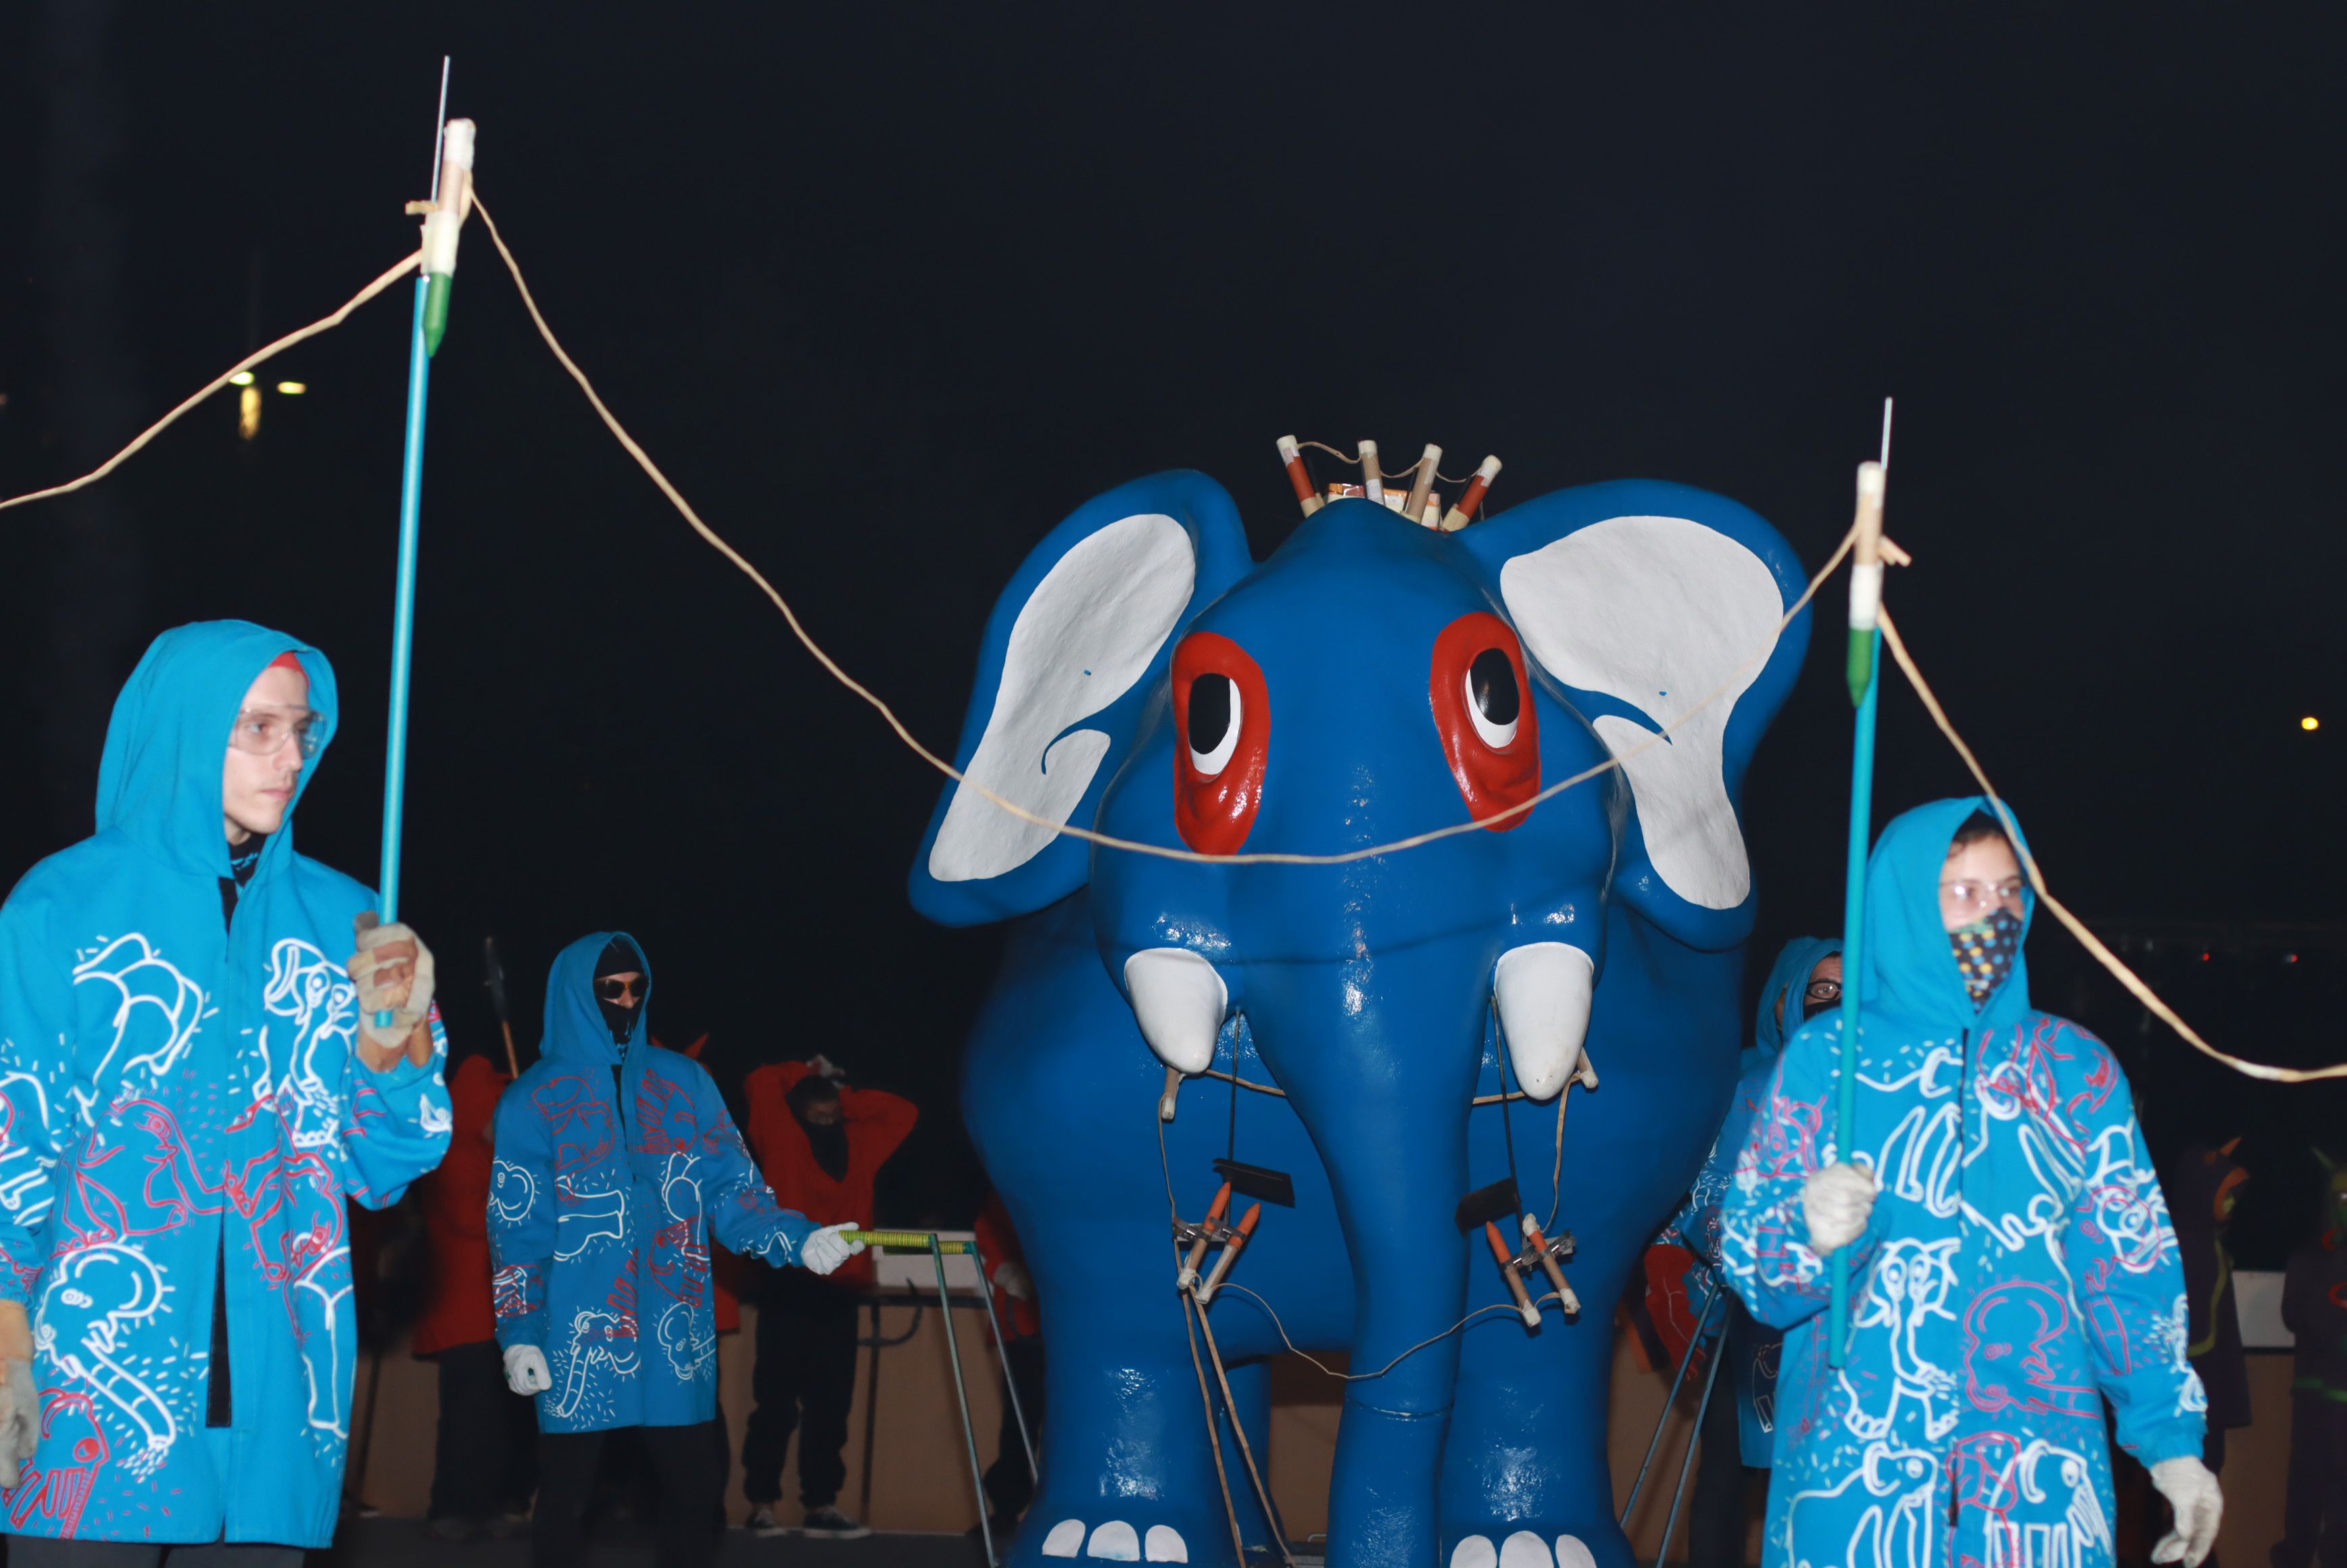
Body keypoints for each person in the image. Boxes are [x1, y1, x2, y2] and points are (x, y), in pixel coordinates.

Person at [0, 622, 454, 1562]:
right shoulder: (61, 905)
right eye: (257, 729)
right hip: (89, 1388)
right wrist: (5, 1334)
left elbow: (384, 1166)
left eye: (303, 729)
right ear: (182, 727)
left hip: (279, 1393)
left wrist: (397, 1046)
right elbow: (14, 1141)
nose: (292, 756)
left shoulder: (350, 921)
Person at [1720, 799, 2222, 1568]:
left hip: (2038, 1491)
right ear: (1906, 901)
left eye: (2009, 891)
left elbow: (2126, 1267)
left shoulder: (2075, 1072)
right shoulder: (1829, 1061)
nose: (1994, 914)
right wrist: (1805, 1231)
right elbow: (1756, 1272)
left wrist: (2172, 1444)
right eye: (1964, 893)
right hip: (1857, 1485)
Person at [489, 934, 863, 1568]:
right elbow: (518, 1226)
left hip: (673, 1326)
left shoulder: (685, 1084)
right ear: (580, 993)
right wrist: (519, 1331)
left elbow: (733, 1191)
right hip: (576, 1332)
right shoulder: (534, 1098)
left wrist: (798, 1240)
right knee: (566, 1494)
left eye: (638, 986)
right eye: (612, 989)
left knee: (694, 1488)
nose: (628, 1000)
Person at [1657, 936, 1843, 1568]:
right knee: (1727, 1479)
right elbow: (1703, 1192)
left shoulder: (1883, 1090)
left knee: (1832, 1481)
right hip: (1751, 1313)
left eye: (1852, 992)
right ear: (1786, 998)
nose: (1839, 1004)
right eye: (1823, 990)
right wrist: (1753, 1249)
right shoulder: (1744, 1085)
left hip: (1853, 1318)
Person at [738, 1056, 917, 1538]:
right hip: (788, 1288)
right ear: (797, 1114)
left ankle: (821, 1504)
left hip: (841, 1291)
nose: (825, 1125)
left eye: (831, 1118)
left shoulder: (860, 1142)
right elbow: (759, 1080)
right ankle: (762, 1504)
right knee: (774, 1401)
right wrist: (804, 1069)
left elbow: (903, 1113)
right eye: (815, 1118)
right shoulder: (781, 1137)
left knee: (831, 1404)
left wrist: (844, 1093)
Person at [414, 1052, 537, 1540]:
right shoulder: (457, 1154)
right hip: (464, 1312)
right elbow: (473, 1219)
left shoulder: (487, 1156)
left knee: (497, 1419)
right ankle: (451, 1507)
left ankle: (489, 1503)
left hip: (495, 1312)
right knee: (468, 1418)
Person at [2274, 1156, 2347, 1568]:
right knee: (2306, 1489)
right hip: (2315, 1398)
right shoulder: (2308, 1257)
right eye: (2343, 1196)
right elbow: (2294, 1315)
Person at [976, 1190, 1043, 1531]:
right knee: (1020, 1423)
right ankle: (1006, 1510)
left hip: (1071, 1329)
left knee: (1067, 1424)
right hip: (1025, 1326)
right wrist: (1008, 1271)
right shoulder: (1006, 1187)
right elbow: (989, 1232)